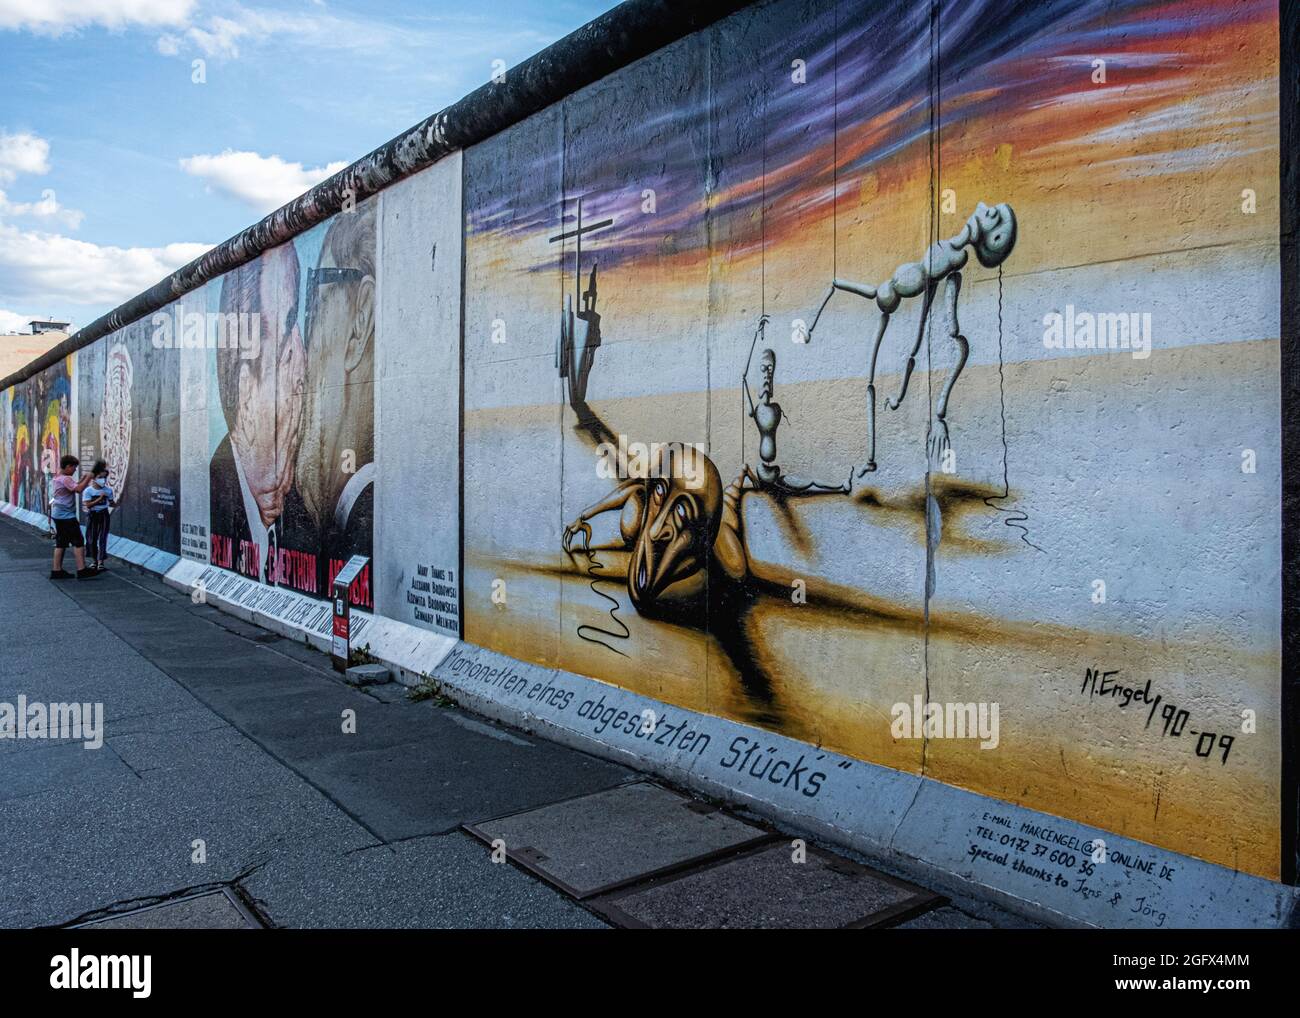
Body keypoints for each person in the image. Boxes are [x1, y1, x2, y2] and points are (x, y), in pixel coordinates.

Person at [48, 454, 97, 580]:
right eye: (74, 467)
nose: (75, 470)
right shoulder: (65, 479)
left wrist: (82, 480)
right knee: (78, 541)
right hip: (66, 516)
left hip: (58, 514)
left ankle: (56, 570)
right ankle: (82, 569)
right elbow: (79, 489)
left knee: (61, 542)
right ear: (68, 466)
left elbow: (72, 487)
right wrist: (89, 478)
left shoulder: (58, 477)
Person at [82, 460, 117, 572]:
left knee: (103, 538)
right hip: (92, 515)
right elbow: (88, 505)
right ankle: (94, 560)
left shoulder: (108, 490)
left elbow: (112, 503)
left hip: (104, 514)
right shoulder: (88, 491)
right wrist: (99, 499)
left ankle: (101, 561)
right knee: (92, 538)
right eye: (101, 477)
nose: (103, 480)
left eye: (105, 478)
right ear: (95, 478)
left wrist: (112, 503)